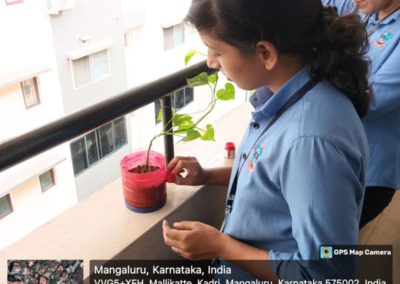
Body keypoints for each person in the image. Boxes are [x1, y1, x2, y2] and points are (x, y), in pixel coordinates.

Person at [162, 0, 371, 280]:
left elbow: (328, 273)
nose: (211, 62)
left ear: (265, 53)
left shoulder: (309, 142)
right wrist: (208, 175)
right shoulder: (291, 93)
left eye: (217, 52)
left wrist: (220, 246)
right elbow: (272, 178)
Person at [322, 0, 400, 228]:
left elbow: (368, 101)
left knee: (328, 248)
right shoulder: (364, 8)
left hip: (368, 173)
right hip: (334, 156)